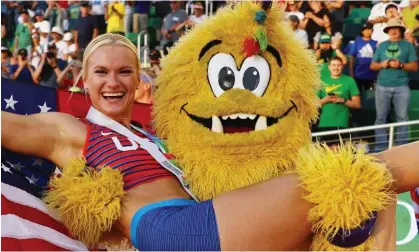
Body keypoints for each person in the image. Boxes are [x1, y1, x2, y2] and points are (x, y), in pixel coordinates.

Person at [1, 33, 415, 252]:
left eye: (125, 72)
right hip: (171, 229)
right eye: (101, 72)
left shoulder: (155, 137)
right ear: (83, 80)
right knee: (358, 172)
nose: (113, 82)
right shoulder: (68, 128)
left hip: (205, 225)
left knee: (372, 193)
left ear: (139, 78)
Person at [370, 18, 418, 152]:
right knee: (380, 118)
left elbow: (414, 66)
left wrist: (401, 65)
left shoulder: (408, 46)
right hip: (382, 85)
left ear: (401, 30)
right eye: (391, 28)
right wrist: (382, 64)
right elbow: (372, 65)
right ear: (388, 31)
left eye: (397, 28)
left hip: (402, 86)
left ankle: (402, 148)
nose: (394, 30)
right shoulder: (382, 46)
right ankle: (381, 148)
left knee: (402, 118)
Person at [316, 56, 361, 147]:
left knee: (338, 152)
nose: (336, 68)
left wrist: (342, 100)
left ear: (342, 67)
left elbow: (357, 104)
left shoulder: (349, 80)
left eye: (338, 65)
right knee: (325, 153)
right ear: (329, 67)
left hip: (341, 122)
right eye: (333, 65)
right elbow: (313, 105)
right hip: (324, 123)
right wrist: (325, 100)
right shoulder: (322, 81)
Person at [349, 22, 378, 92]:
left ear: (372, 31)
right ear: (362, 31)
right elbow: (352, 58)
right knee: (358, 95)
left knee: (370, 96)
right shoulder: (357, 42)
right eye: (365, 29)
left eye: (369, 29)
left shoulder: (376, 43)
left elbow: (378, 59)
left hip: (371, 75)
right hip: (358, 74)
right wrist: (351, 73)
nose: (367, 31)